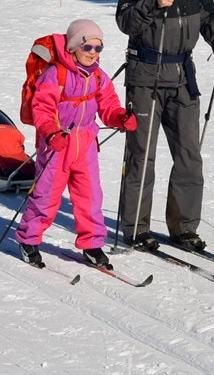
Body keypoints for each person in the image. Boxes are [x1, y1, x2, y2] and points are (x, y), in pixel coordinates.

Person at [116, 0, 214, 252]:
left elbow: (208, 15)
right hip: (146, 76)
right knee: (142, 155)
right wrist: (153, 4)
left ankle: (183, 228)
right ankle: (136, 228)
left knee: (188, 155)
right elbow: (125, 22)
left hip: (183, 76)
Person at [15, 19, 137, 269]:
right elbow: (43, 109)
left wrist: (120, 117)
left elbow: (109, 106)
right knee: (46, 195)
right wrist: (50, 133)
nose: (93, 54)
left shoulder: (99, 77)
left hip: (86, 144)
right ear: (72, 47)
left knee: (90, 197)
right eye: (87, 47)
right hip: (57, 146)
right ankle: (28, 239)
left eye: (98, 48)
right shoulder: (55, 74)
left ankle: (92, 244)